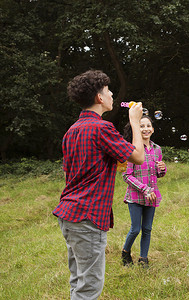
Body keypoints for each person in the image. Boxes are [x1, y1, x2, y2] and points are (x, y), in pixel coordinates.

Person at [53, 70, 146, 299]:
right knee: (89, 286)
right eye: (108, 90)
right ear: (99, 98)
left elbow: (79, 170)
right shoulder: (101, 128)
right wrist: (135, 121)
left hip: (69, 214)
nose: (112, 93)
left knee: (78, 280)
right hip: (87, 216)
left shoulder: (71, 131)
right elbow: (137, 157)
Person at [121, 114, 167, 268]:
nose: (145, 129)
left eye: (148, 126)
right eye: (141, 126)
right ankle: (125, 252)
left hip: (151, 197)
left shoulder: (157, 149)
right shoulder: (132, 149)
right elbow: (127, 175)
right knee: (135, 229)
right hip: (135, 197)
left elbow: (157, 175)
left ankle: (143, 259)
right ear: (136, 129)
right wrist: (145, 189)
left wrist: (162, 169)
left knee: (147, 229)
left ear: (152, 129)